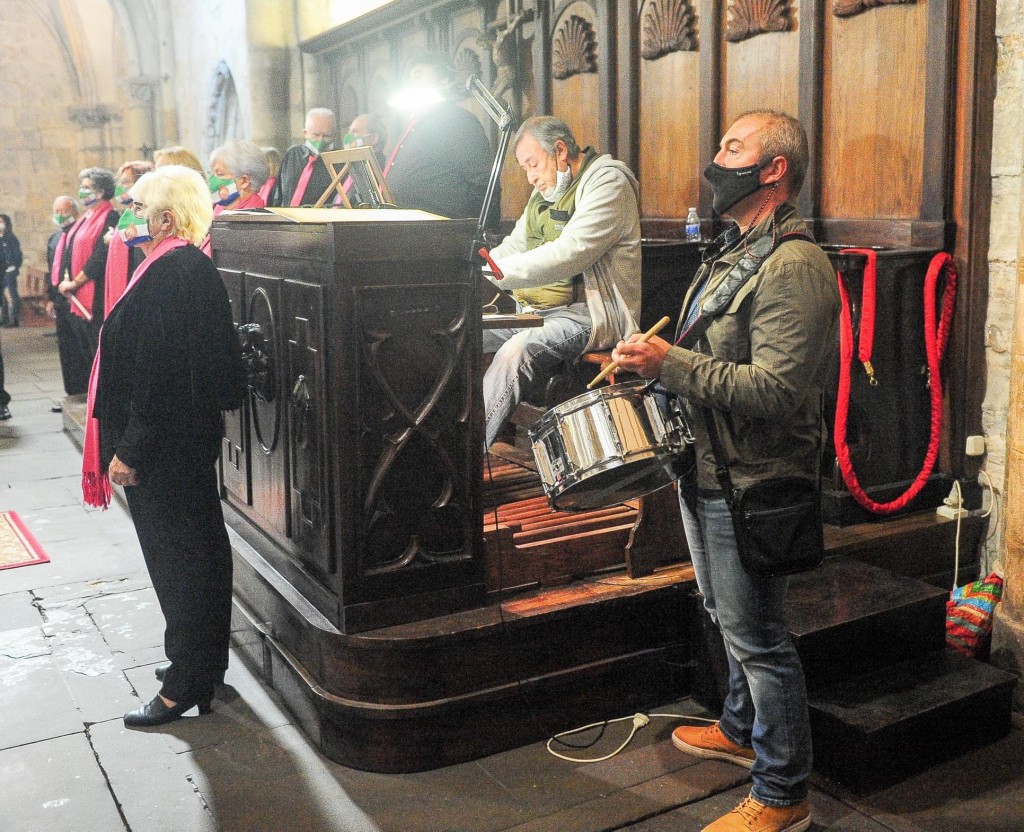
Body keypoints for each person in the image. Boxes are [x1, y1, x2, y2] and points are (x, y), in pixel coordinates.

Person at [610, 110, 840, 832]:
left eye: (733, 149)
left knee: (761, 640)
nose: (716, 160)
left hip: (754, 479)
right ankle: (741, 730)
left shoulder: (795, 263)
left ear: (774, 170)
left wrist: (669, 363)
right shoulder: (735, 249)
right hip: (706, 466)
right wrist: (651, 366)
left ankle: (783, 794)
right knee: (724, 616)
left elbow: (777, 390)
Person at [81, 165, 244, 727]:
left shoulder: (174, 271)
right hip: (181, 441)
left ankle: (184, 682)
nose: (129, 217)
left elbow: (160, 373)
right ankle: (202, 664)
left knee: (180, 561)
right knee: (198, 551)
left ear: (166, 217)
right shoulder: (179, 265)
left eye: (138, 207)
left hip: (165, 446)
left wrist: (132, 448)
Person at [481, 116, 641, 447]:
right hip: (536, 310)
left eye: (533, 164)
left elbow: (569, 254)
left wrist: (496, 273)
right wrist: (478, 270)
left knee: (516, 351)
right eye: (524, 168)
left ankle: (464, 459)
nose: (530, 177)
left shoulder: (608, 183)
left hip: (593, 314)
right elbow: (515, 244)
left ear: (560, 150)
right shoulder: (548, 190)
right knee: (461, 330)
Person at [384, 52, 494, 219]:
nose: (412, 82)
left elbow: (483, 182)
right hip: (403, 225)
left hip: (442, 229)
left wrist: (482, 228)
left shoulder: (458, 120)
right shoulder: (416, 123)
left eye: (418, 75)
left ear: (444, 80)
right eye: (410, 77)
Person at [56, 168, 118, 352]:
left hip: (96, 294)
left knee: (96, 349)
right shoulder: (86, 216)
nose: (82, 191)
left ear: (100, 192)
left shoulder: (111, 216)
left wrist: (76, 282)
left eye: (86, 188)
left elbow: (100, 256)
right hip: (77, 294)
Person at [201, 139, 270, 256]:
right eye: (212, 173)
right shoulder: (220, 207)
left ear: (244, 181)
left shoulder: (250, 218)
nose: (211, 180)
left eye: (219, 174)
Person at [105, 161, 153, 311]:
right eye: (120, 182)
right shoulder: (127, 214)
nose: (120, 187)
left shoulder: (145, 218)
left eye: (125, 182)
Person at [268, 107, 337, 207]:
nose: (321, 140)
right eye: (316, 134)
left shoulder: (339, 160)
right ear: (305, 133)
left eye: (327, 135)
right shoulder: (292, 154)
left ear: (334, 135)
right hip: (287, 217)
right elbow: (279, 191)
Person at [0, 214, 24, 327]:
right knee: (2, 294)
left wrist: (14, 266)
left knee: (12, 293)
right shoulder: (1, 237)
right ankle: (4, 317)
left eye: (1, 222)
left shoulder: (11, 238)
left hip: (10, 270)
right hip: (2, 270)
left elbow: (17, 255)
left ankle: (14, 319)